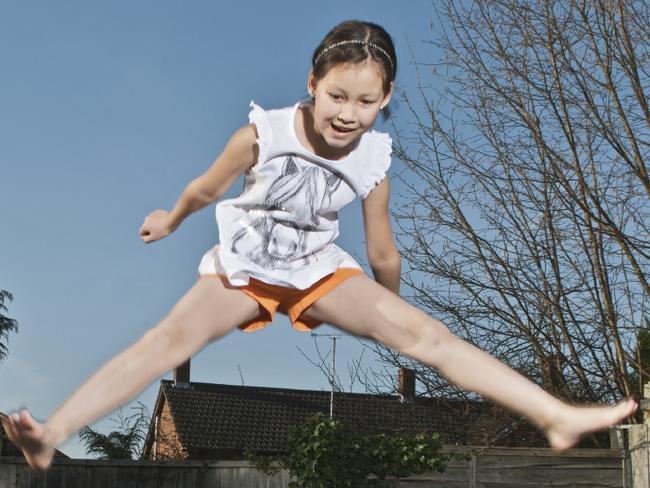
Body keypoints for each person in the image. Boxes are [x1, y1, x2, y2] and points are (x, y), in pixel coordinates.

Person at [2, 20, 637, 471]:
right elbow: (206, 186)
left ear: (385, 99)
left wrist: (395, 321)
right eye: (337, 96)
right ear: (313, 83)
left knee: (433, 337)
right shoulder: (262, 134)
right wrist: (171, 217)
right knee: (169, 340)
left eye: (366, 102)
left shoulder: (374, 161)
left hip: (319, 272)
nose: (347, 114)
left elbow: (383, 253)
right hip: (245, 265)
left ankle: (555, 415)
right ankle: (52, 431)